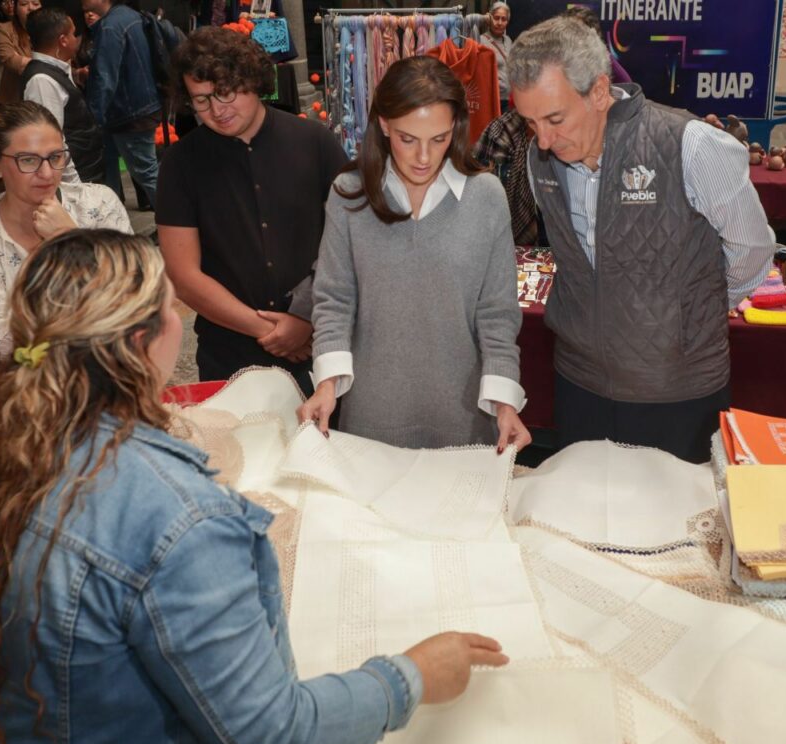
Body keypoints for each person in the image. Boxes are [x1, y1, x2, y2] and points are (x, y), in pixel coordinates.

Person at [0, 227, 509, 744]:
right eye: (170, 307)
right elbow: (276, 739)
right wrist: (411, 676)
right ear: (142, 344)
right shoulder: (179, 517)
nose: (178, 320)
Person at [508, 17, 773, 463]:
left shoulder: (688, 145)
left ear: (597, 91)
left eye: (554, 118)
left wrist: (688, 316)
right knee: (585, 521)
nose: (545, 139)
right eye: (530, 122)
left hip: (677, 391)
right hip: (580, 384)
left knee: (678, 526)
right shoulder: (540, 162)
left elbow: (752, 250)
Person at [297, 56, 530, 453]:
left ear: (455, 128)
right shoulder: (349, 194)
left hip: (467, 419)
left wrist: (505, 402)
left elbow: (497, 313)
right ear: (384, 125)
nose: (424, 157)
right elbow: (334, 299)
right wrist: (327, 384)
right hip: (371, 416)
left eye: (438, 139)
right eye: (408, 139)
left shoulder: (486, 197)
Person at [156, 27, 346, 385]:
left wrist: (304, 319)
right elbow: (183, 275)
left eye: (225, 93)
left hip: (322, 337)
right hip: (229, 348)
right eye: (201, 100)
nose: (216, 110)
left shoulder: (315, 142)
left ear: (253, 81)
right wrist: (271, 331)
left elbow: (349, 243)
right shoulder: (180, 162)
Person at [0, 102, 130, 388]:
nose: (47, 173)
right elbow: (4, 340)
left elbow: (134, 299)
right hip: (18, 388)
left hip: (110, 377)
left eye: (55, 157)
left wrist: (69, 239)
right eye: (28, 160)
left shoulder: (98, 204)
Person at [81, 0, 161, 209]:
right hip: (138, 107)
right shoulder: (128, 16)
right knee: (116, 171)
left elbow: (104, 78)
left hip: (128, 112)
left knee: (147, 173)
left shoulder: (110, 27)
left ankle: (177, 225)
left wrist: (93, 118)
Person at [22, 8, 104, 184]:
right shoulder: (41, 80)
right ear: (63, 40)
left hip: (89, 168)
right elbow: (53, 140)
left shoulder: (57, 71)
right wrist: (75, 185)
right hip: (78, 178)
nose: (77, 39)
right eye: (74, 34)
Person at [561, 5, 633, 84]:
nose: (569, 37)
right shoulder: (560, 58)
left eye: (575, 31)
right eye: (568, 31)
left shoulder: (606, 62)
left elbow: (627, 87)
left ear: (593, 35)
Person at [0, 0, 40, 103]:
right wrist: (45, 66)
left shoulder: (50, 28)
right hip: (16, 99)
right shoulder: (6, 29)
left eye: (35, 4)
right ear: (16, 9)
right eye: (24, 4)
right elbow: (8, 57)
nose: (31, 8)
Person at [481, 1, 512, 114]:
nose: (499, 22)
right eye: (496, 18)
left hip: (508, 99)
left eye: (503, 19)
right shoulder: (481, 41)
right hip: (493, 99)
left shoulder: (508, 40)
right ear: (489, 18)